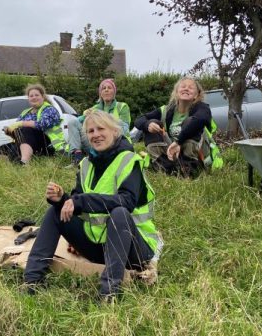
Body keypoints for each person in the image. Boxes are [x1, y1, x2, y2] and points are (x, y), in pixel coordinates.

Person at [23, 110, 162, 300]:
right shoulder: (86, 164)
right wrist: (62, 199)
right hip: (99, 247)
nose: (95, 135)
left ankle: (110, 292)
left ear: (115, 131)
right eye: (90, 131)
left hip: (134, 251)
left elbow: (126, 201)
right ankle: (32, 281)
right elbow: (76, 202)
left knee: (120, 213)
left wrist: (80, 201)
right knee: (56, 211)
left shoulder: (130, 160)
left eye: (100, 129)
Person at [133, 77, 215, 177]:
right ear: (176, 92)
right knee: (152, 123)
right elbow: (139, 119)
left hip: (197, 156)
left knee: (191, 122)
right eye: (183, 86)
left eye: (190, 87)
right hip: (173, 153)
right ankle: (163, 168)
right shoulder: (167, 110)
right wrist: (147, 125)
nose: (186, 89)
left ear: (196, 95)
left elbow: (200, 120)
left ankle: (189, 170)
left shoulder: (203, 108)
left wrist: (178, 142)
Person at [65, 78, 132, 166]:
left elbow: (125, 129)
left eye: (109, 88)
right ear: (100, 93)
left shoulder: (122, 106)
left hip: (115, 144)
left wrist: (107, 119)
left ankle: (96, 157)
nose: (106, 90)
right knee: (72, 122)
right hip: (97, 142)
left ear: (114, 92)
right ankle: (78, 157)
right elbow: (77, 122)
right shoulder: (95, 108)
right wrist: (85, 116)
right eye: (103, 88)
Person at [3, 84, 68, 165]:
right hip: (28, 142)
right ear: (28, 98)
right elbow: (17, 131)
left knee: (26, 130)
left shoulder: (49, 109)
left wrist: (23, 123)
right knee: (2, 149)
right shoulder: (25, 112)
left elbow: (43, 124)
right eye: (31, 96)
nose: (34, 97)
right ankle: (13, 163)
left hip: (47, 143)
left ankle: (24, 162)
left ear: (43, 97)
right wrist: (9, 131)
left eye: (37, 95)